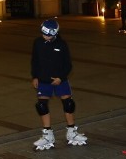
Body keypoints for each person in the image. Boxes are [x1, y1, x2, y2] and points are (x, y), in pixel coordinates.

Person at [31, 18, 88, 150]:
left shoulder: (61, 44)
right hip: (43, 79)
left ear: (54, 33)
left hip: (60, 79)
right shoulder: (38, 43)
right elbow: (35, 61)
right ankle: (47, 134)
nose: (45, 36)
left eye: (48, 35)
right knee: (41, 105)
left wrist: (61, 78)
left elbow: (68, 64)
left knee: (68, 103)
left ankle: (72, 132)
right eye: (43, 33)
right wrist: (34, 76)